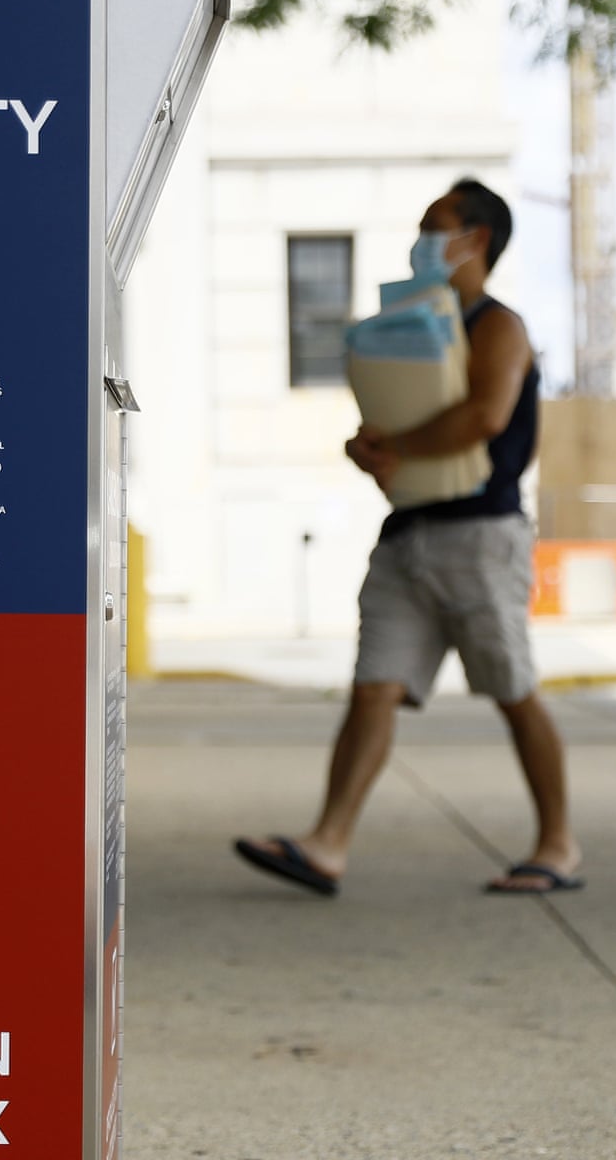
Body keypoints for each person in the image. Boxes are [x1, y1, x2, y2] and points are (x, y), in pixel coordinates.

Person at [234, 178, 583, 897]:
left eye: (436, 226)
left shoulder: (499, 326)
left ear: (476, 238)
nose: (422, 240)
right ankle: (326, 844)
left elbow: (486, 416)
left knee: (513, 689)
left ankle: (558, 846)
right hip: (406, 537)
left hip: (481, 537)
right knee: (373, 689)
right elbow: (403, 428)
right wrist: (371, 451)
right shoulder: (413, 322)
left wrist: (396, 444)